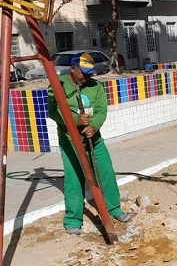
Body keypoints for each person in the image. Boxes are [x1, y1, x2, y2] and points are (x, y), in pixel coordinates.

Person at [48, 53, 131, 235]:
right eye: (83, 73)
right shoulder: (59, 85)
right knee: (74, 179)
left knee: (106, 172)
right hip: (70, 142)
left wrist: (94, 125)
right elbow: (53, 111)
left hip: (94, 140)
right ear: (73, 68)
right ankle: (73, 219)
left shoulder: (95, 86)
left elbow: (101, 110)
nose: (86, 77)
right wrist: (74, 120)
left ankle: (114, 208)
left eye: (89, 73)